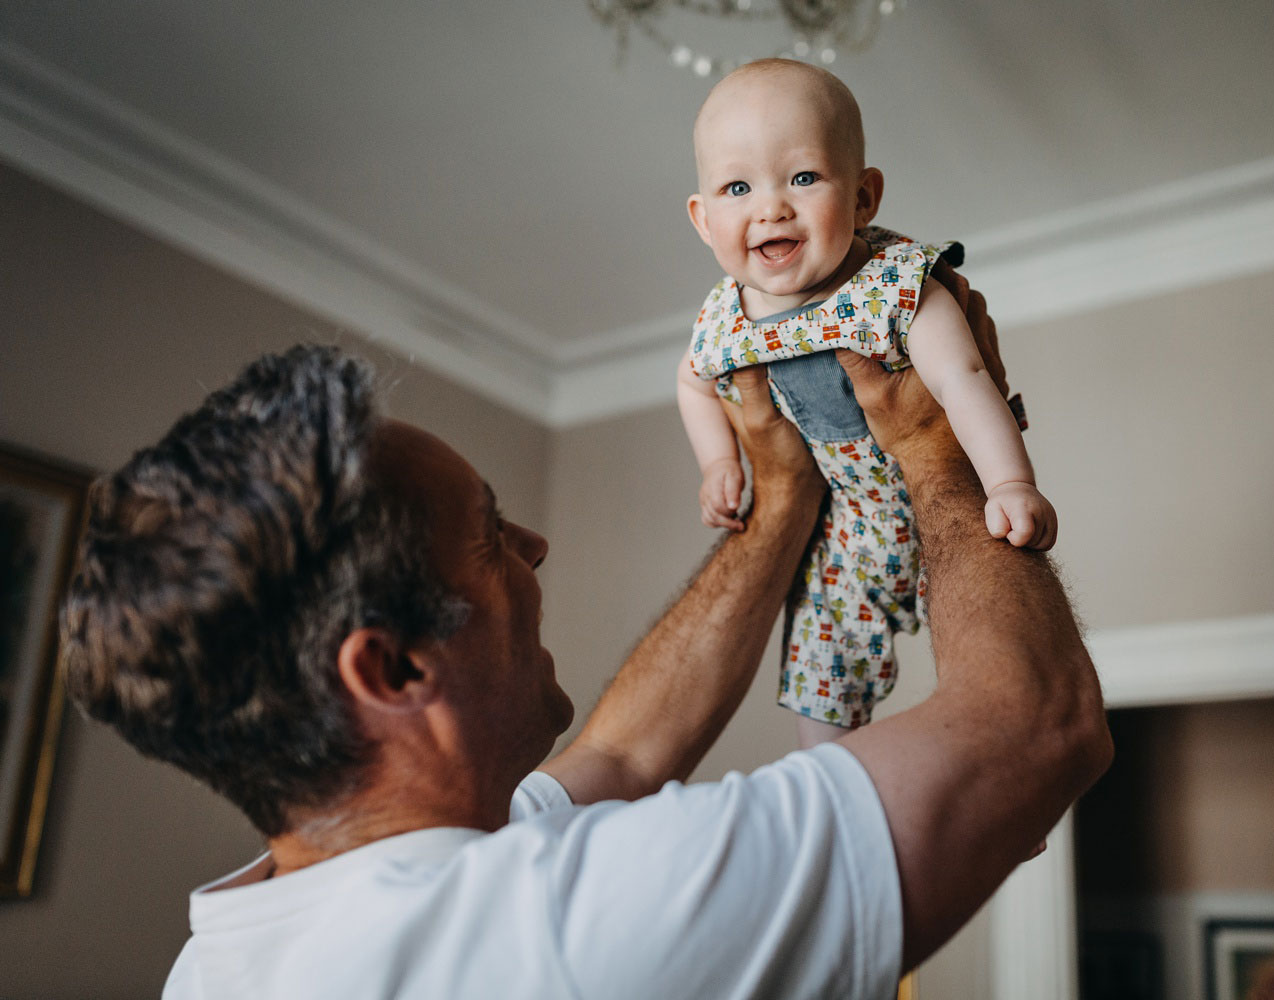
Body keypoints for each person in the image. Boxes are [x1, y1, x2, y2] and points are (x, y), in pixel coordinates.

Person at [61, 316, 1109, 996]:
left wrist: (781, 499)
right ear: (391, 672)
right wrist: (939, 445)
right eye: (487, 533)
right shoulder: (557, 936)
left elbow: (621, 756)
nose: (534, 550)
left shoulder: (226, 959)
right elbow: (1031, 728)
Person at [676, 58, 1057, 741]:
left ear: (862, 197)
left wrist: (1009, 481)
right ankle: (833, 774)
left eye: (803, 177)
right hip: (845, 519)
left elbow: (963, 380)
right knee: (821, 650)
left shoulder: (897, 285)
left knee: (993, 633)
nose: (771, 207)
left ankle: (1005, 760)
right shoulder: (724, 319)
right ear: (704, 219)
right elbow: (692, 380)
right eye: (738, 186)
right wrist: (717, 462)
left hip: (947, 492)